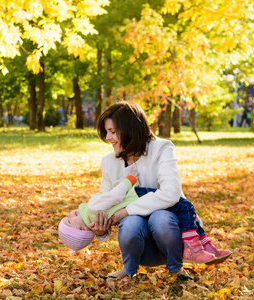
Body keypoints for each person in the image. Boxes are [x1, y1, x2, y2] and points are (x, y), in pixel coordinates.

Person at [75, 101, 227, 281]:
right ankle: (129, 269)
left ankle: (176, 269)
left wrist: (127, 210)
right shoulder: (109, 162)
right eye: (106, 131)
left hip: (170, 235)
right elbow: (106, 202)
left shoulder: (162, 148)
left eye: (113, 132)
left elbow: (171, 193)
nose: (108, 137)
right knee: (130, 223)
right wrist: (101, 229)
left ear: (131, 129)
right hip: (139, 243)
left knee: (160, 217)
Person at [58, 168, 231, 264]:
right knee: (184, 206)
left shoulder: (94, 217)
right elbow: (114, 196)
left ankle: (202, 243)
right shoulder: (91, 209)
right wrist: (130, 179)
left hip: (138, 206)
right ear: (82, 229)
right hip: (136, 195)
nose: (69, 215)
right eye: (68, 221)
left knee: (182, 207)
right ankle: (195, 245)